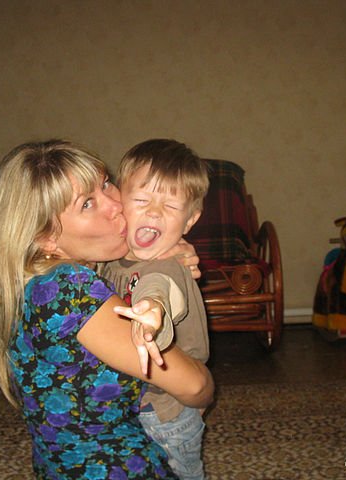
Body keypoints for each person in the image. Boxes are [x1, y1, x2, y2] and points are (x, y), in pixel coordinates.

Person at [0, 139, 214, 479]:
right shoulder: (70, 289)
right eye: (87, 203)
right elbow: (192, 385)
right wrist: (205, 392)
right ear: (46, 237)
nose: (116, 205)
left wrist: (167, 256)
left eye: (105, 184)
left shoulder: (35, 277)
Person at [101, 139, 211, 480]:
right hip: (131, 405)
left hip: (165, 413)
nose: (154, 212)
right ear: (119, 202)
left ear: (190, 220)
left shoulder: (169, 265)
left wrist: (152, 311)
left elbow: (159, 288)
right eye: (141, 200)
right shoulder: (111, 259)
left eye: (171, 206)